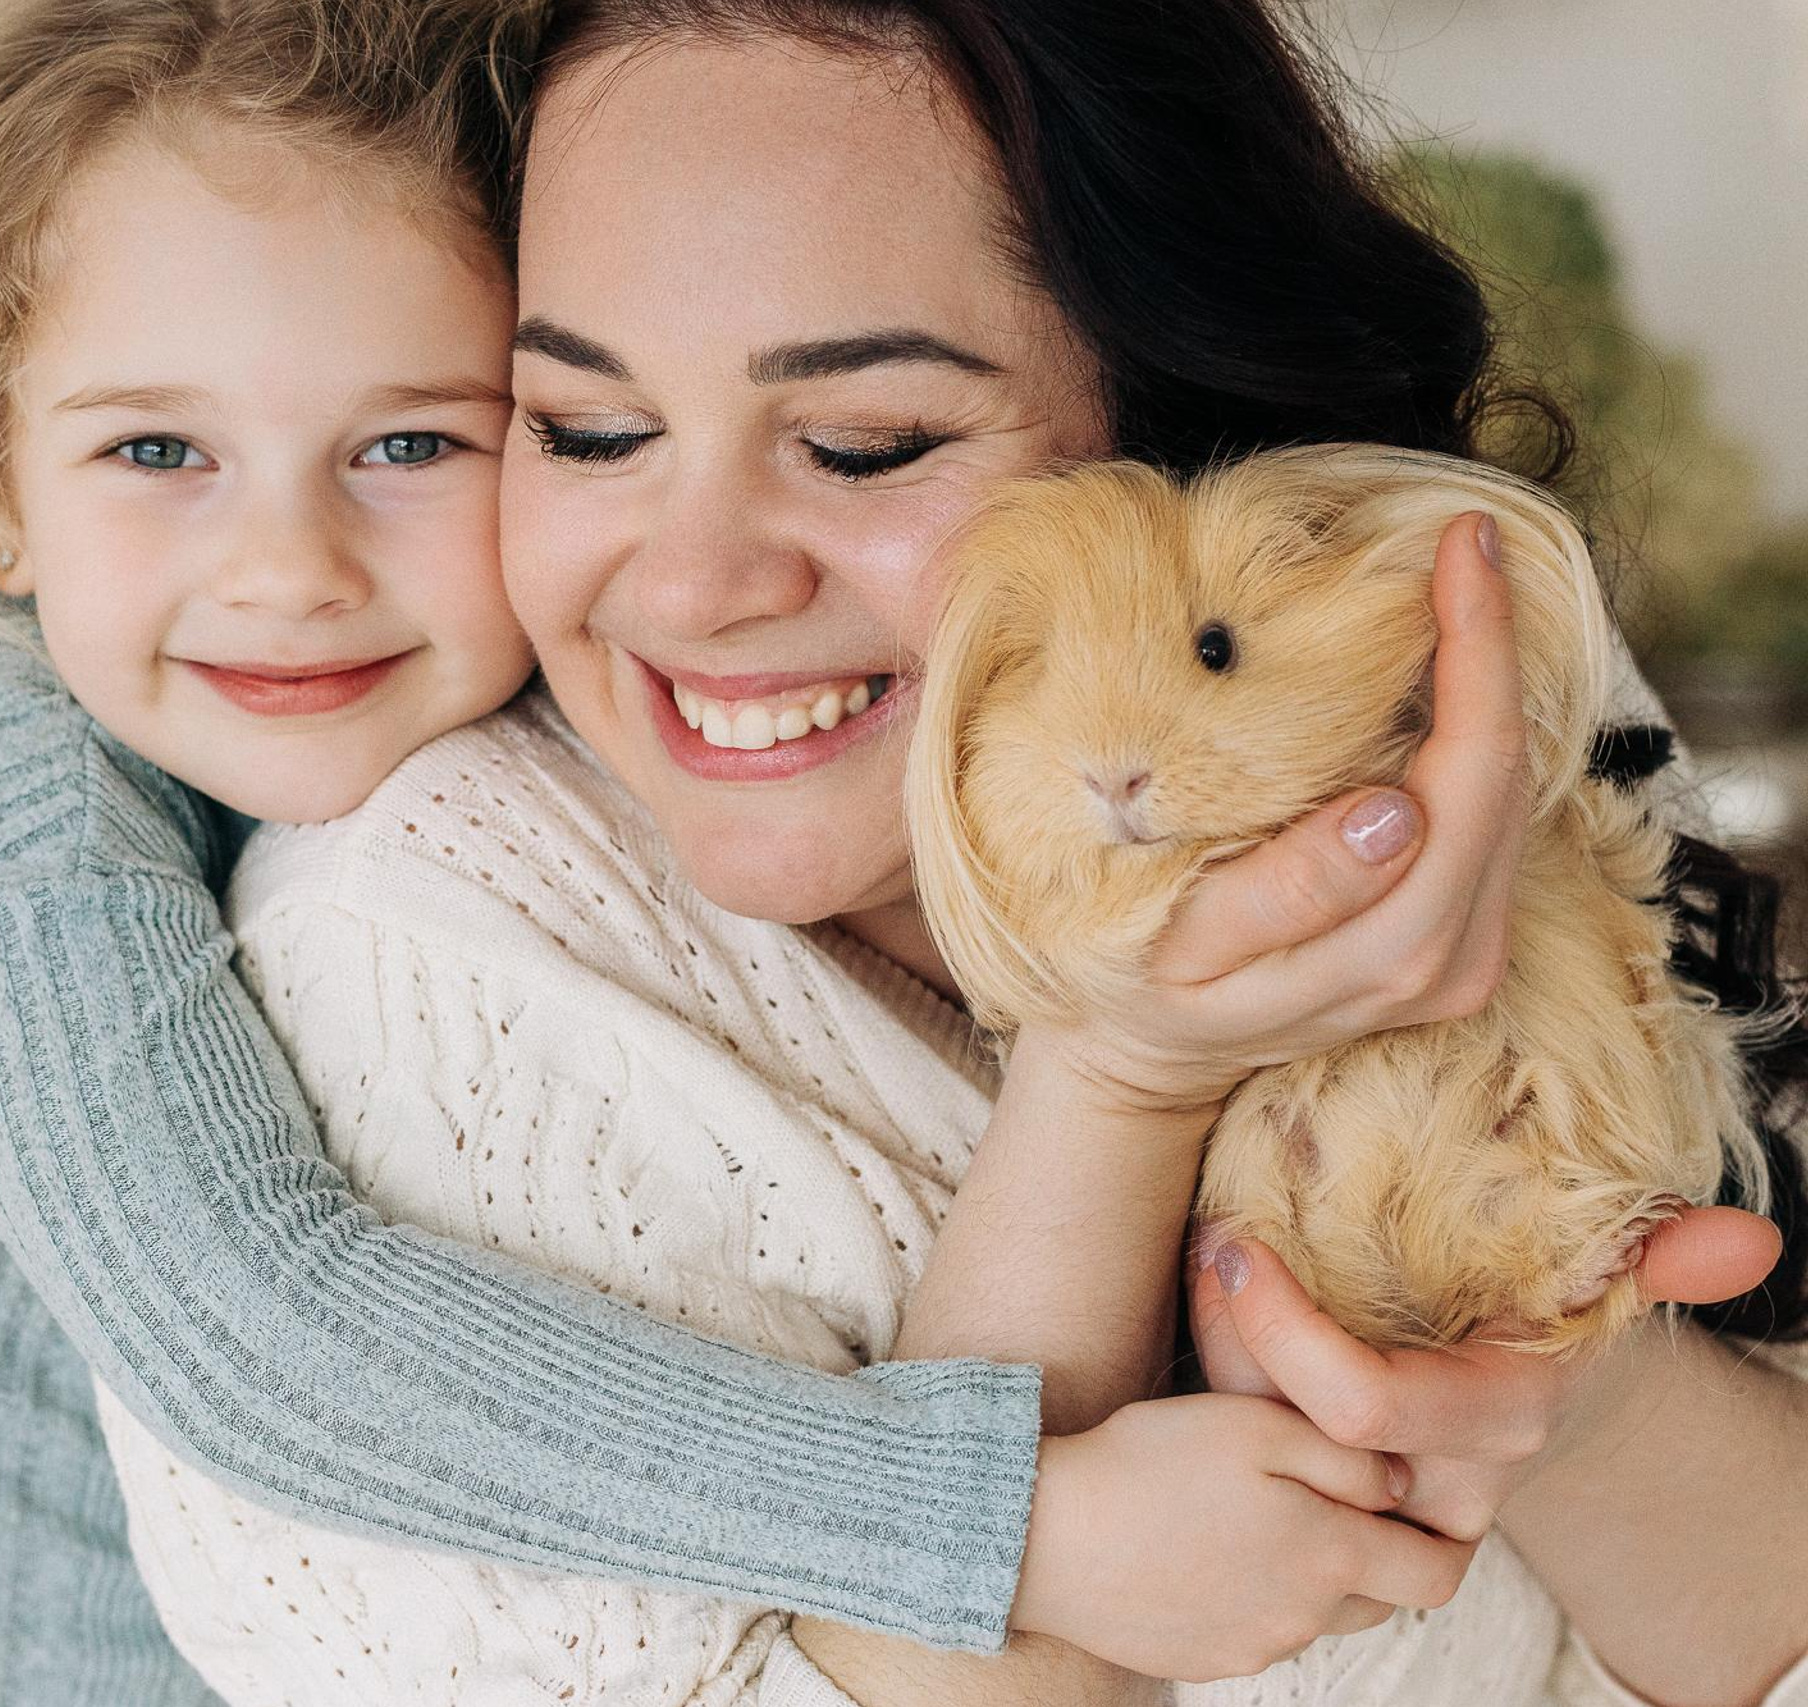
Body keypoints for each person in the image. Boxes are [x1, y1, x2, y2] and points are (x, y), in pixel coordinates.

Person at [0, 1, 1490, 1699]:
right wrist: (1003, 1528)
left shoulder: (545, 734)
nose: (287, 569)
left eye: (416, 448)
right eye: (157, 455)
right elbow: (260, 1333)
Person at [92, 2, 1808, 1703]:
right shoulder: (425, 964)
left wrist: (1583, 1395)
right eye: (589, 431)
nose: (689, 588)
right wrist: (1119, 1080)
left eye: (866, 445)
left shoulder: (1426, 687)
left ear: (1178, 430)